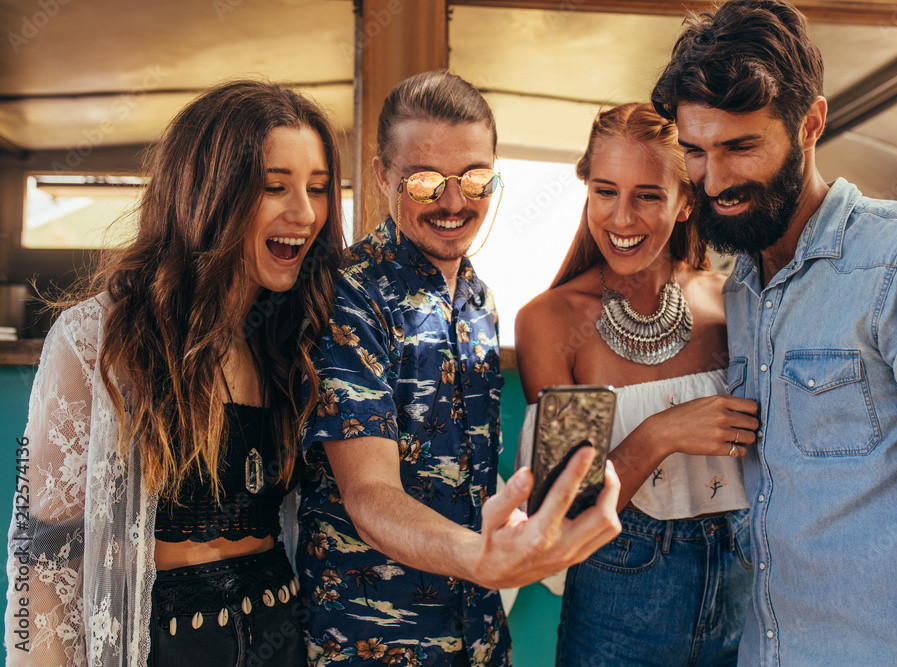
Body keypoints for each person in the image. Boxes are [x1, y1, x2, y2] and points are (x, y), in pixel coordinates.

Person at [651, 1, 897, 664]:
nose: (713, 179)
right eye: (694, 151)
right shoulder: (742, 290)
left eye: (740, 147)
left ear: (810, 122)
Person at [4, 80, 344, 666]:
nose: (305, 213)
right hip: (166, 645)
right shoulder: (100, 337)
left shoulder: (297, 333)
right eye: (273, 187)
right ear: (208, 193)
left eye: (317, 188)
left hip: (279, 636)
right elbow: (47, 552)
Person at [297, 69, 622, 667]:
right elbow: (369, 492)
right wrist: (481, 558)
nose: (453, 202)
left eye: (474, 178)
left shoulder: (480, 299)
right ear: (382, 176)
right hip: (371, 644)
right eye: (424, 181)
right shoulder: (347, 295)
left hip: (476, 636)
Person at [515, 102, 759, 666]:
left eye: (648, 195)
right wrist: (658, 434)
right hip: (619, 596)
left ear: (685, 202)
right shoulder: (550, 321)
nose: (622, 219)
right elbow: (566, 514)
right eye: (605, 191)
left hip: (746, 588)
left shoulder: (733, 300)